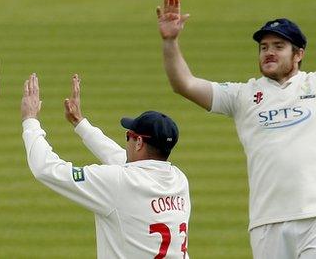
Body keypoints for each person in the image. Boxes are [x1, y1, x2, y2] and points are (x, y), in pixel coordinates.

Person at [156, 0, 316, 258]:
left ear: (299, 54)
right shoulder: (243, 95)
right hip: (267, 224)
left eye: (279, 46)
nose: (269, 52)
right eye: (264, 47)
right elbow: (184, 84)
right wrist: (170, 42)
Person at [21, 73, 191, 258]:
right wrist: (81, 124)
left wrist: (30, 120)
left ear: (139, 142)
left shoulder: (118, 182)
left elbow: (45, 169)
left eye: (129, 136)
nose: (127, 143)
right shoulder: (179, 180)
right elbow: (125, 161)